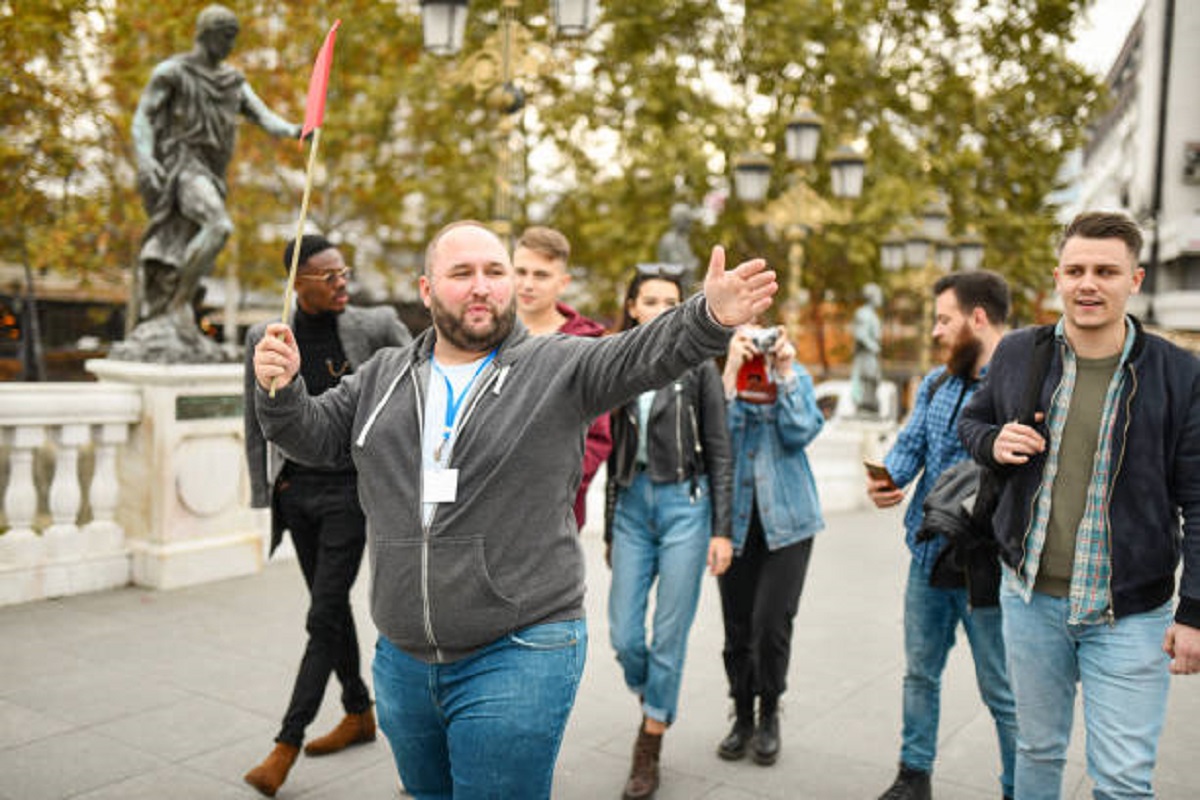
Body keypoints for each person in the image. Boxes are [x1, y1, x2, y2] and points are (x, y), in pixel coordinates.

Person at [251, 221, 776, 800]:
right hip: (402, 660)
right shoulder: (381, 377)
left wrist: (708, 317)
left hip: (521, 649)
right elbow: (313, 436)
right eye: (462, 273)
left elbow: (643, 354)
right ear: (426, 291)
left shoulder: (560, 366)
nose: (482, 286)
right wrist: (280, 392)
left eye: (495, 272)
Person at [959, 211, 1200, 800]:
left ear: (1135, 280)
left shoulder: (1180, 374)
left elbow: (1198, 499)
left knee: (1122, 780)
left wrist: (1193, 610)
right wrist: (994, 442)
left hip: (1131, 616)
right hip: (1030, 600)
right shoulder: (1019, 353)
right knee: (1036, 753)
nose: (1088, 283)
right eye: (1076, 270)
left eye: (1105, 271)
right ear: (1057, 277)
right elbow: (973, 420)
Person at [241, 235, 411, 797]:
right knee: (329, 608)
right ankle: (359, 712)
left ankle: (285, 744)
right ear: (298, 283)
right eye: (329, 277)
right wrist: (265, 497)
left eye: (345, 273)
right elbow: (255, 421)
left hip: (350, 493)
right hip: (296, 493)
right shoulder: (266, 337)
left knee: (322, 615)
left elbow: (420, 378)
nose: (343, 284)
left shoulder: (377, 323)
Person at [867, 271, 1017, 800]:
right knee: (919, 674)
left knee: (1003, 690)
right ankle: (914, 775)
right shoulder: (936, 383)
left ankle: (1017, 786)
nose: (935, 331)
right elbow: (909, 449)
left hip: (990, 567)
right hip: (928, 556)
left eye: (944, 319)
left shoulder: (1022, 388)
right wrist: (886, 480)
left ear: (978, 319)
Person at [603, 264, 733, 799]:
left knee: (669, 636)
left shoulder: (698, 363)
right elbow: (609, 448)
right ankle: (654, 695)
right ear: (632, 306)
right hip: (632, 508)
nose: (659, 310)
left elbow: (720, 449)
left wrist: (722, 530)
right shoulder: (615, 362)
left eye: (670, 302)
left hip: (686, 506)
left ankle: (650, 741)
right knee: (625, 634)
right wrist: (611, 523)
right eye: (650, 300)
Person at [127, 4, 299, 354]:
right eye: (225, 36)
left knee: (194, 240)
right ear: (205, 33)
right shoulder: (173, 72)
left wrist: (299, 130)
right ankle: (177, 305)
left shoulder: (232, 81)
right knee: (218, 226)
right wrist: (145, 159)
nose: (229, 45)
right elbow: (142, 117)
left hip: (211, 172)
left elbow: (265, 118)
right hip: (182, 166)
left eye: (233, 38)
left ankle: (178, 308)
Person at [715, 320, 825, 767]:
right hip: (734, 525)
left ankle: (769, 713)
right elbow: (713, 441)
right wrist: (728, 373)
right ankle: (741, 714)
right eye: (748, 338)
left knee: (771, 625)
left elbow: (801, 432)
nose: (757, 346)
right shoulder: (723, 377)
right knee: (737, 627)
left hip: (790, 522)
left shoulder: (792, 376)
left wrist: (785, 372)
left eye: (764, 336)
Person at [513, 225, 612, 529]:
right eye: (521, 271)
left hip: (555, 512)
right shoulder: (483, 333)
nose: (528, 284)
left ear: (563, 282)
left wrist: (556, 485)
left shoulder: (586, 345)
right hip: (483, 507)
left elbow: (598, 435)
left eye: (541, 275)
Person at [851, 282, 884, 416]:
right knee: (868, 379)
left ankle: (870, 406)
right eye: (878, 295)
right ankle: (865, 406)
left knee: (874, 380)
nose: (881, 298)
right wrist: (874, 347)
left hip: (871, 355)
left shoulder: (873, 315)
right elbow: (861, 334)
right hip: (866, 355)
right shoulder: (863, 313)